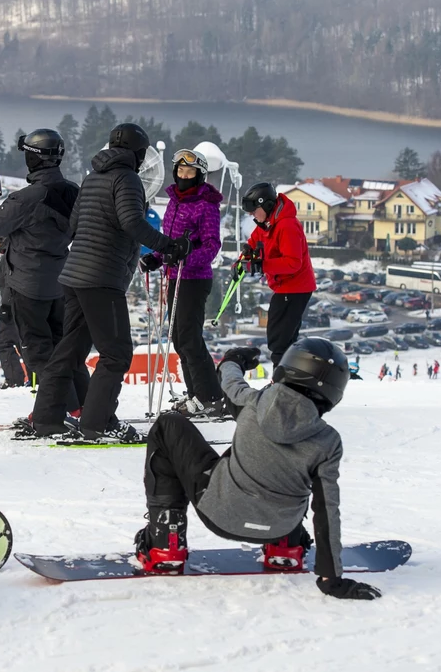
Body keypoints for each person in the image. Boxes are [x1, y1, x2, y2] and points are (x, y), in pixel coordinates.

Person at [134, 338, 382, 601]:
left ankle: (165, 545)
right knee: (298, 472)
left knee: (168, 425)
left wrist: (233, 360)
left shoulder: (254, 401)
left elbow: (230, 383)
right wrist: (331, 579)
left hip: (220, 514)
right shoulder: (328, 441)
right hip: (281, 526)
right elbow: (326, 509)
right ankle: (285, 549)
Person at [31, 122, 189, 440]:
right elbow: (132, 222)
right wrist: (168, 246)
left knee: (70, 349)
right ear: (139, 153)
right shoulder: (126, 178)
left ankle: (47, 418)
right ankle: (98, 424)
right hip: (102, 278)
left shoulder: (92, 178)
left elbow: (74, 225)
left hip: (74, 275)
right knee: (116, 354)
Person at [0, 129, 85, 410]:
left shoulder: (28, 197)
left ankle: (64, 410)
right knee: (63, 348)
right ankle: (85, 407)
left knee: (38, 353)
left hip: (28, 285)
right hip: (61, 281)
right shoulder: (74, 192)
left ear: (32, 159)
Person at [140, 148, 224, 418]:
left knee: (189, 340)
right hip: (175, 277)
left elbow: (212, 246)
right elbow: (170, 241)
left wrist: (187, 256)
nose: (184, 175)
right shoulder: (175, 201)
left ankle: (210, 397)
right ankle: (196, 393)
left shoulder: (205, 204)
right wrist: (156, 258)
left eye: (190, 172)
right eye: (180, 171)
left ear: (199, 175)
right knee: (180, 340)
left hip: (195, 279)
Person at [239, 182, 316, 368]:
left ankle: (281, 383)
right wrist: (242, 261)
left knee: (279, 340)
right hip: (285, 287)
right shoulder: (267, 224)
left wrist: (262, 265)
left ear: (266, 205)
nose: (251, 215)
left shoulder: (286, 225)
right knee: (281, 339)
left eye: (253, 210)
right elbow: (252, 243)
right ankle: (286, 380)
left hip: (295, 288)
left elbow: (293, 263)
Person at [0, 240, 29, 389]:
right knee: (24, 343)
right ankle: (36, 378)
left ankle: (14, 380)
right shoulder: (18, 255)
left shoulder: (8, 258)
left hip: (12, 308)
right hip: (21, 307)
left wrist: (6, 306)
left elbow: (10, 283)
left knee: (4, 343)